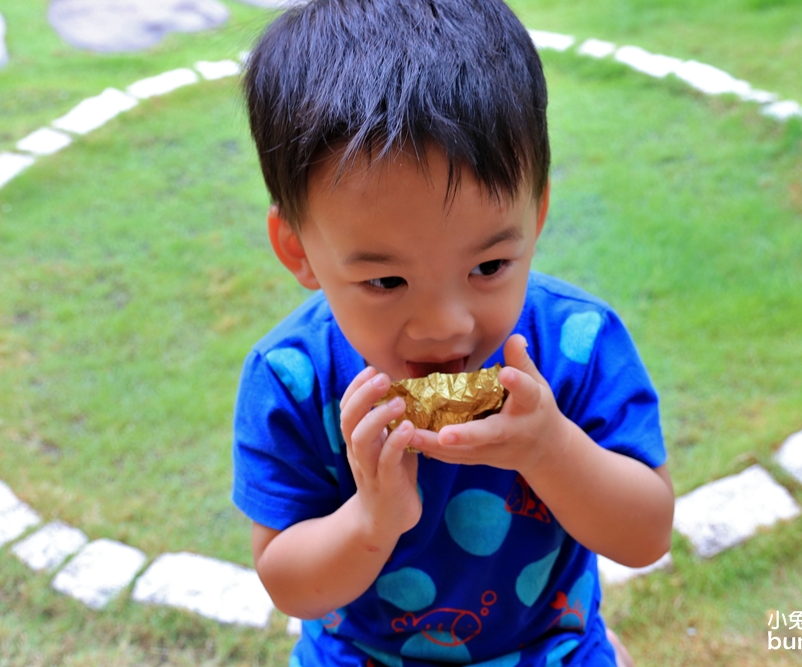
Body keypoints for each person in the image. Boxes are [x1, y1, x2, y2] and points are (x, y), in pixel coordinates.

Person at [231, 1, 675, 666]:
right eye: (385, 282)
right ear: (297, 250)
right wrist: (372, 518)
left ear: (537, 211)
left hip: (546, 647)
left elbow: (646, 535)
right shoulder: (294, 379)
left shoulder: (576, 346)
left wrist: (550, 446)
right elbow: (290, 582)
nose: (447, 327)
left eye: (489, 266)